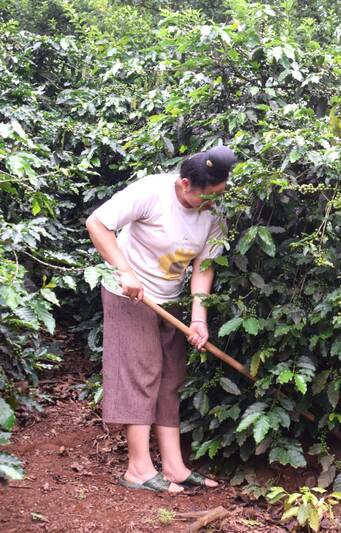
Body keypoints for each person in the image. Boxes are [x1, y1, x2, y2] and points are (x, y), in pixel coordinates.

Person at [86, 146, 236, 493]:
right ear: (185, 184)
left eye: (219, 194)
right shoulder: (152, 191)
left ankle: (173, 467)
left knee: (172, 378)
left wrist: (199, 319)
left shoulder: (213, 216)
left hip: (168, 301)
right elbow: (97, 223)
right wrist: (124, 270)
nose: (213, 202)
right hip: (129, 294)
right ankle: (137, 469)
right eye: (207, 196)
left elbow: (203, 268)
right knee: (143, 371)